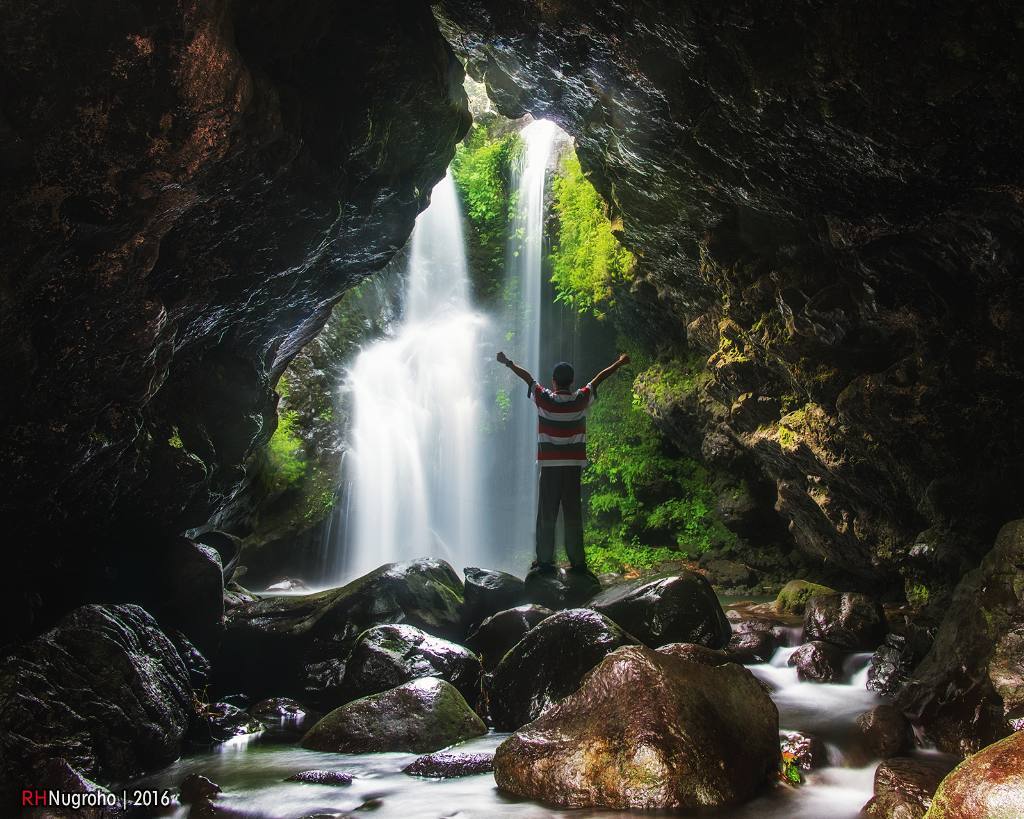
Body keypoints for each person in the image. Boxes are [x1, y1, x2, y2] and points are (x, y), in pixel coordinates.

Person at [495, 350, 630, 574]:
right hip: (572, 467)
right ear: (572, 381)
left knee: (546, 513)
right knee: (572, 513)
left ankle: (545, 561)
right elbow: (599, 379)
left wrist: (508, 362)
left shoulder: (544, 400)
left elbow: (528, 379)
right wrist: (619, 363)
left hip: (549, 468)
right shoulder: (580, 400)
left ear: (554, 382)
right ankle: (577, 562)